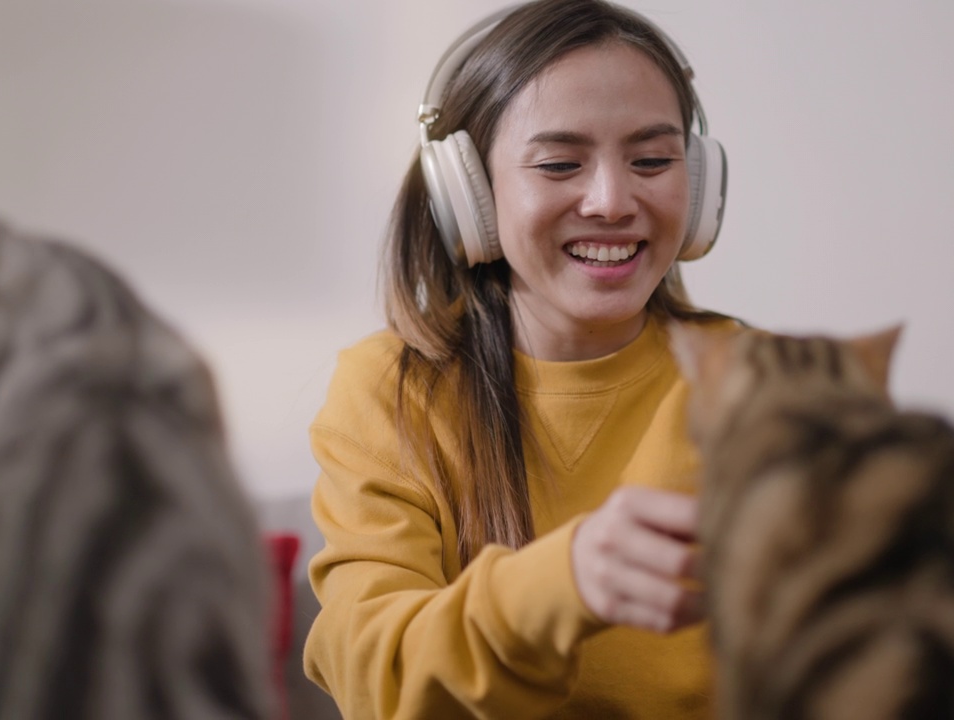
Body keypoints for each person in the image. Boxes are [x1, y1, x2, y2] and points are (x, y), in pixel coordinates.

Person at [304, 0, 732, 716]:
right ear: (466, 193)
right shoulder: (390, 391)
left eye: (652, 161)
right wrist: (564, 582)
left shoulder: (767, 381)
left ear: (699, 186)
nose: (611, 200)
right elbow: (373, 673)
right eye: (561, 163)